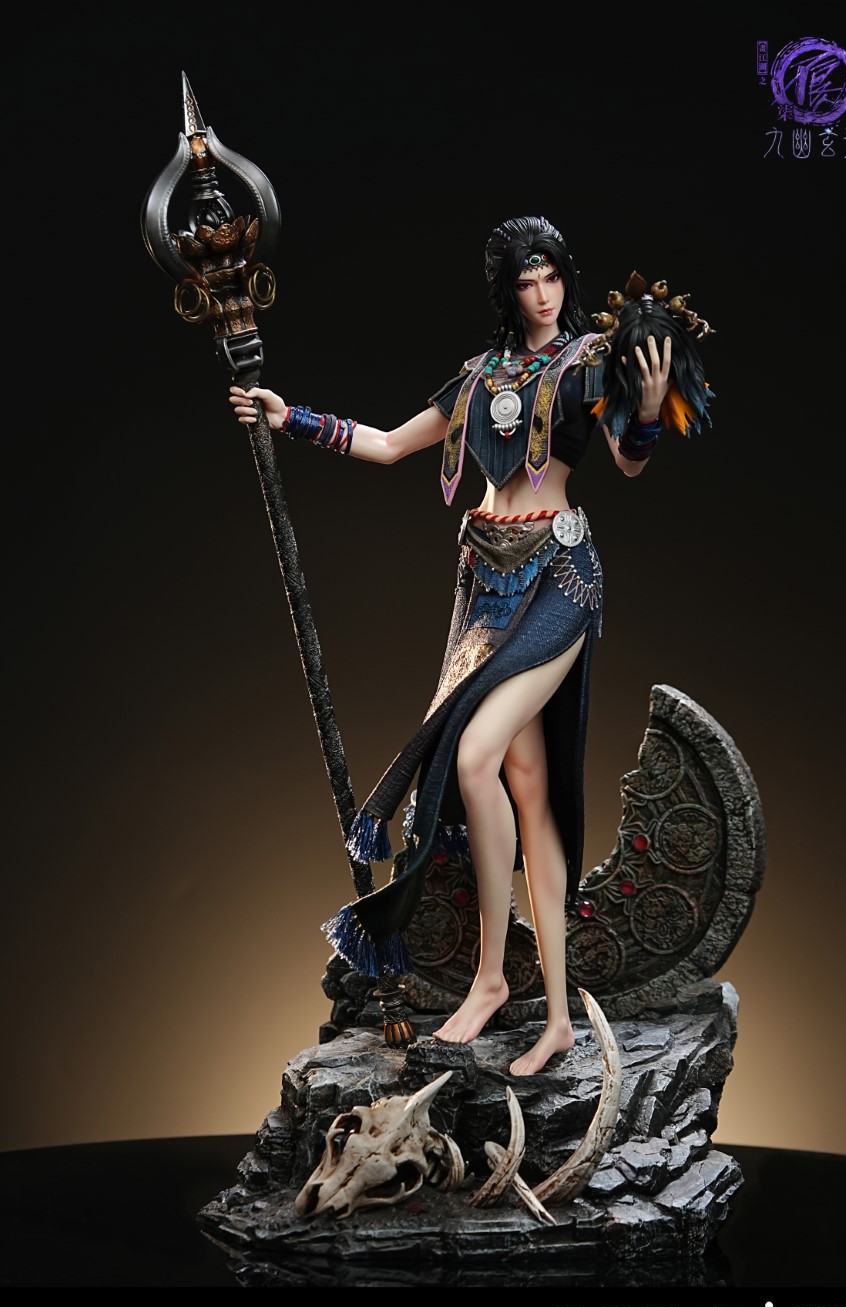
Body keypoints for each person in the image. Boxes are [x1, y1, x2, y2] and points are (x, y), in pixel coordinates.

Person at [230, 215, 713, 1075]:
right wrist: (289, 415)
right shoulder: (479, 376)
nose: (543, 293)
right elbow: (387, 445)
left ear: (566, 279)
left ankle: (493, 980)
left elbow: (630, 462)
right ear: (507, 292)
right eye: (527, 281)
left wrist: (644, 411)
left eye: (552, 276)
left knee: (475, 754)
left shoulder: (589, 362)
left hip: (559, 576)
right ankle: (555, 1017)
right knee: (523, 784)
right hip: (485, 585)